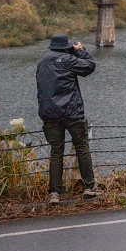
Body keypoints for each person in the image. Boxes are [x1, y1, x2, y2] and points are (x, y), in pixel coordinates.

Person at [37, 33, 98, 203]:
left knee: (56, 152)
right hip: (72, 112)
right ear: (66, 48)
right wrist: (80, 51)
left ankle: (54, 193)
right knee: (82, 148)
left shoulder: (41, 63)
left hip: (50, 114)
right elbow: (90, 66)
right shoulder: (68, 60)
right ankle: (89, 187)